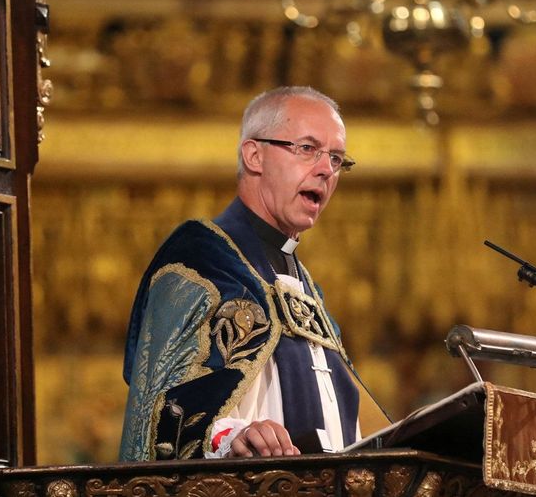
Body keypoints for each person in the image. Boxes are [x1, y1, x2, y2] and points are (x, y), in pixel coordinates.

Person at [119, 86, 383, 461]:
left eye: (337, 158)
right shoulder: (200, 259)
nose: (326, 170)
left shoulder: (305, 287)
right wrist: (234, 437)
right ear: (254, 155)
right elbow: (162, 408)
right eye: (307, 149)